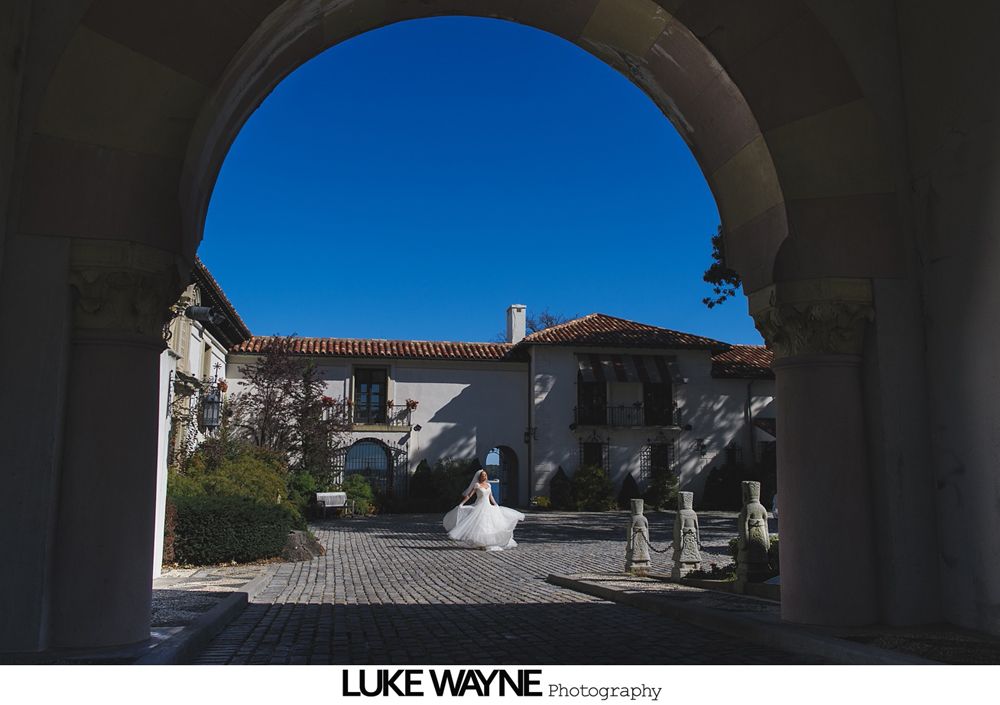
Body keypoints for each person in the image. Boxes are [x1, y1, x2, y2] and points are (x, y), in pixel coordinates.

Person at [442, 469, 525, 550]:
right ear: (479, 477)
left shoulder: (489, 485)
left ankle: (488, 542)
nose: (484, 476)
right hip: (479, 507)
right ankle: (481, 543)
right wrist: (461, 504)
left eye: (485, 475)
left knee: (489, 525)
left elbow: (490, 496)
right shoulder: (477, 485)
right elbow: (469, 495)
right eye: (482, 475)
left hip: (488, 506)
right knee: (481, 526)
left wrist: (495, 504)